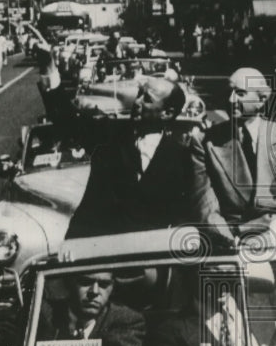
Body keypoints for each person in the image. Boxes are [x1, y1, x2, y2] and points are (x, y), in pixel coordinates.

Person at [191, 67, 276, 240]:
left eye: (240, 93)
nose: (231, 99)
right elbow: (205, 204)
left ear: (261, 100)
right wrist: (226, 237)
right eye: (229, 92)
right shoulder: (205, 142)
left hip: (275, 236)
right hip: (229, 240)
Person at [64, 75, 201, 239]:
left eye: (147, 99)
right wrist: (48, 70)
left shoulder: (182, 155)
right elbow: (66, 121)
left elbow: (187, 211)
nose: (137, 102)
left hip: (150, 253)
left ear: (167, 113)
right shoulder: (109, 136)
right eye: (139, 95)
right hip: (97, 249)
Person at [36, 270, 144, 346]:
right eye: (85, 282)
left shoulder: (127, 321)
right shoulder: (41, 315)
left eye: (103, 285)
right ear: (69, 283)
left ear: (112, 288)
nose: (94, 292)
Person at [142, 268, 247, 346]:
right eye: (213, 274)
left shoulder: (244, 313)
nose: (224, 283)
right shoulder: (169, 332)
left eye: (229, 274)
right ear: (192, 278)